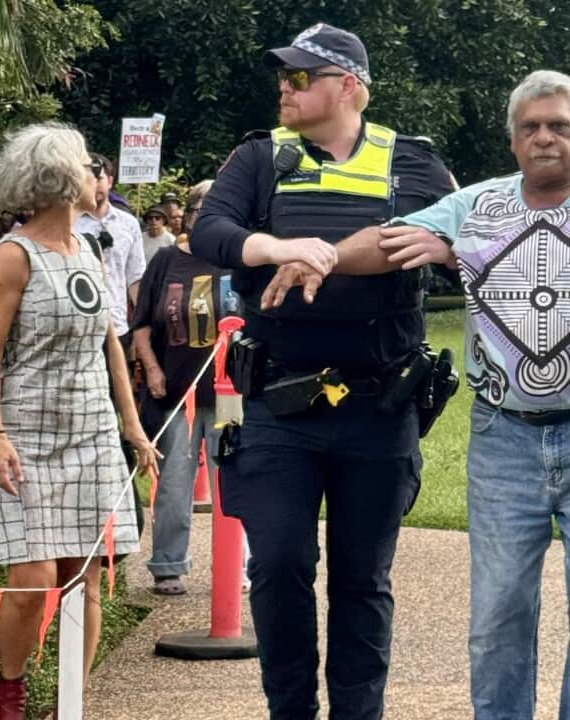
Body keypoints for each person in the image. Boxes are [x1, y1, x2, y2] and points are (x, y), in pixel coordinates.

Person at [269, 69, 570, 720]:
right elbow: (387, 239)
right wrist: (326, 258)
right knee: (501, 604)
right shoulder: (476, 205)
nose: (545, 138)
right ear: (512, 140)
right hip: (503, 435)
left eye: (559, 126)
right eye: (530, 127)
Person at [189, 22, 454, 718]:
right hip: (279, 405)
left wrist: (330, 255)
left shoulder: (413, 163)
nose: (285, 86)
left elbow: (445, 237)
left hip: (379, 406)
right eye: (284, 75)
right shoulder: (259, 157)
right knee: (278, 565)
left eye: (301, 76)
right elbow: (209, 231)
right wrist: (276, 247)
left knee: (363, 581)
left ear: (349, 86)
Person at [0, 122, 157, 719]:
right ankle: (12, 694)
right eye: (85, 166)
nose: (94, 175)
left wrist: (132, 426)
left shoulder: (92, 250)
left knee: (86, 578)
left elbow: (111, 346)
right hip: (26, 434)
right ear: (56, 177)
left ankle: (69, 704)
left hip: (93, 433)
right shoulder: (13, 255)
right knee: (33, 579)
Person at [132, 180, 234, 596]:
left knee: (235, 480)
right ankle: (168, 565)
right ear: (187, 217)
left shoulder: (238, 258)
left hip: (230, 395)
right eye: (200, 211)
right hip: (176, 393)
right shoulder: (165, 260)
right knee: (174, 481)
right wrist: (153, 369)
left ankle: (238, 566)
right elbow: (141, 325)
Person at [73, 153, 146, 352]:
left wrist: (142, 325)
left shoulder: (128, 224)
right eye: (87, 178)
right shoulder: (69, 222)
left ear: (110, 181)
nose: (93, 184)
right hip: (78, 328)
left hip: (117, 324)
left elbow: (135, 277)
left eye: (99, 178)